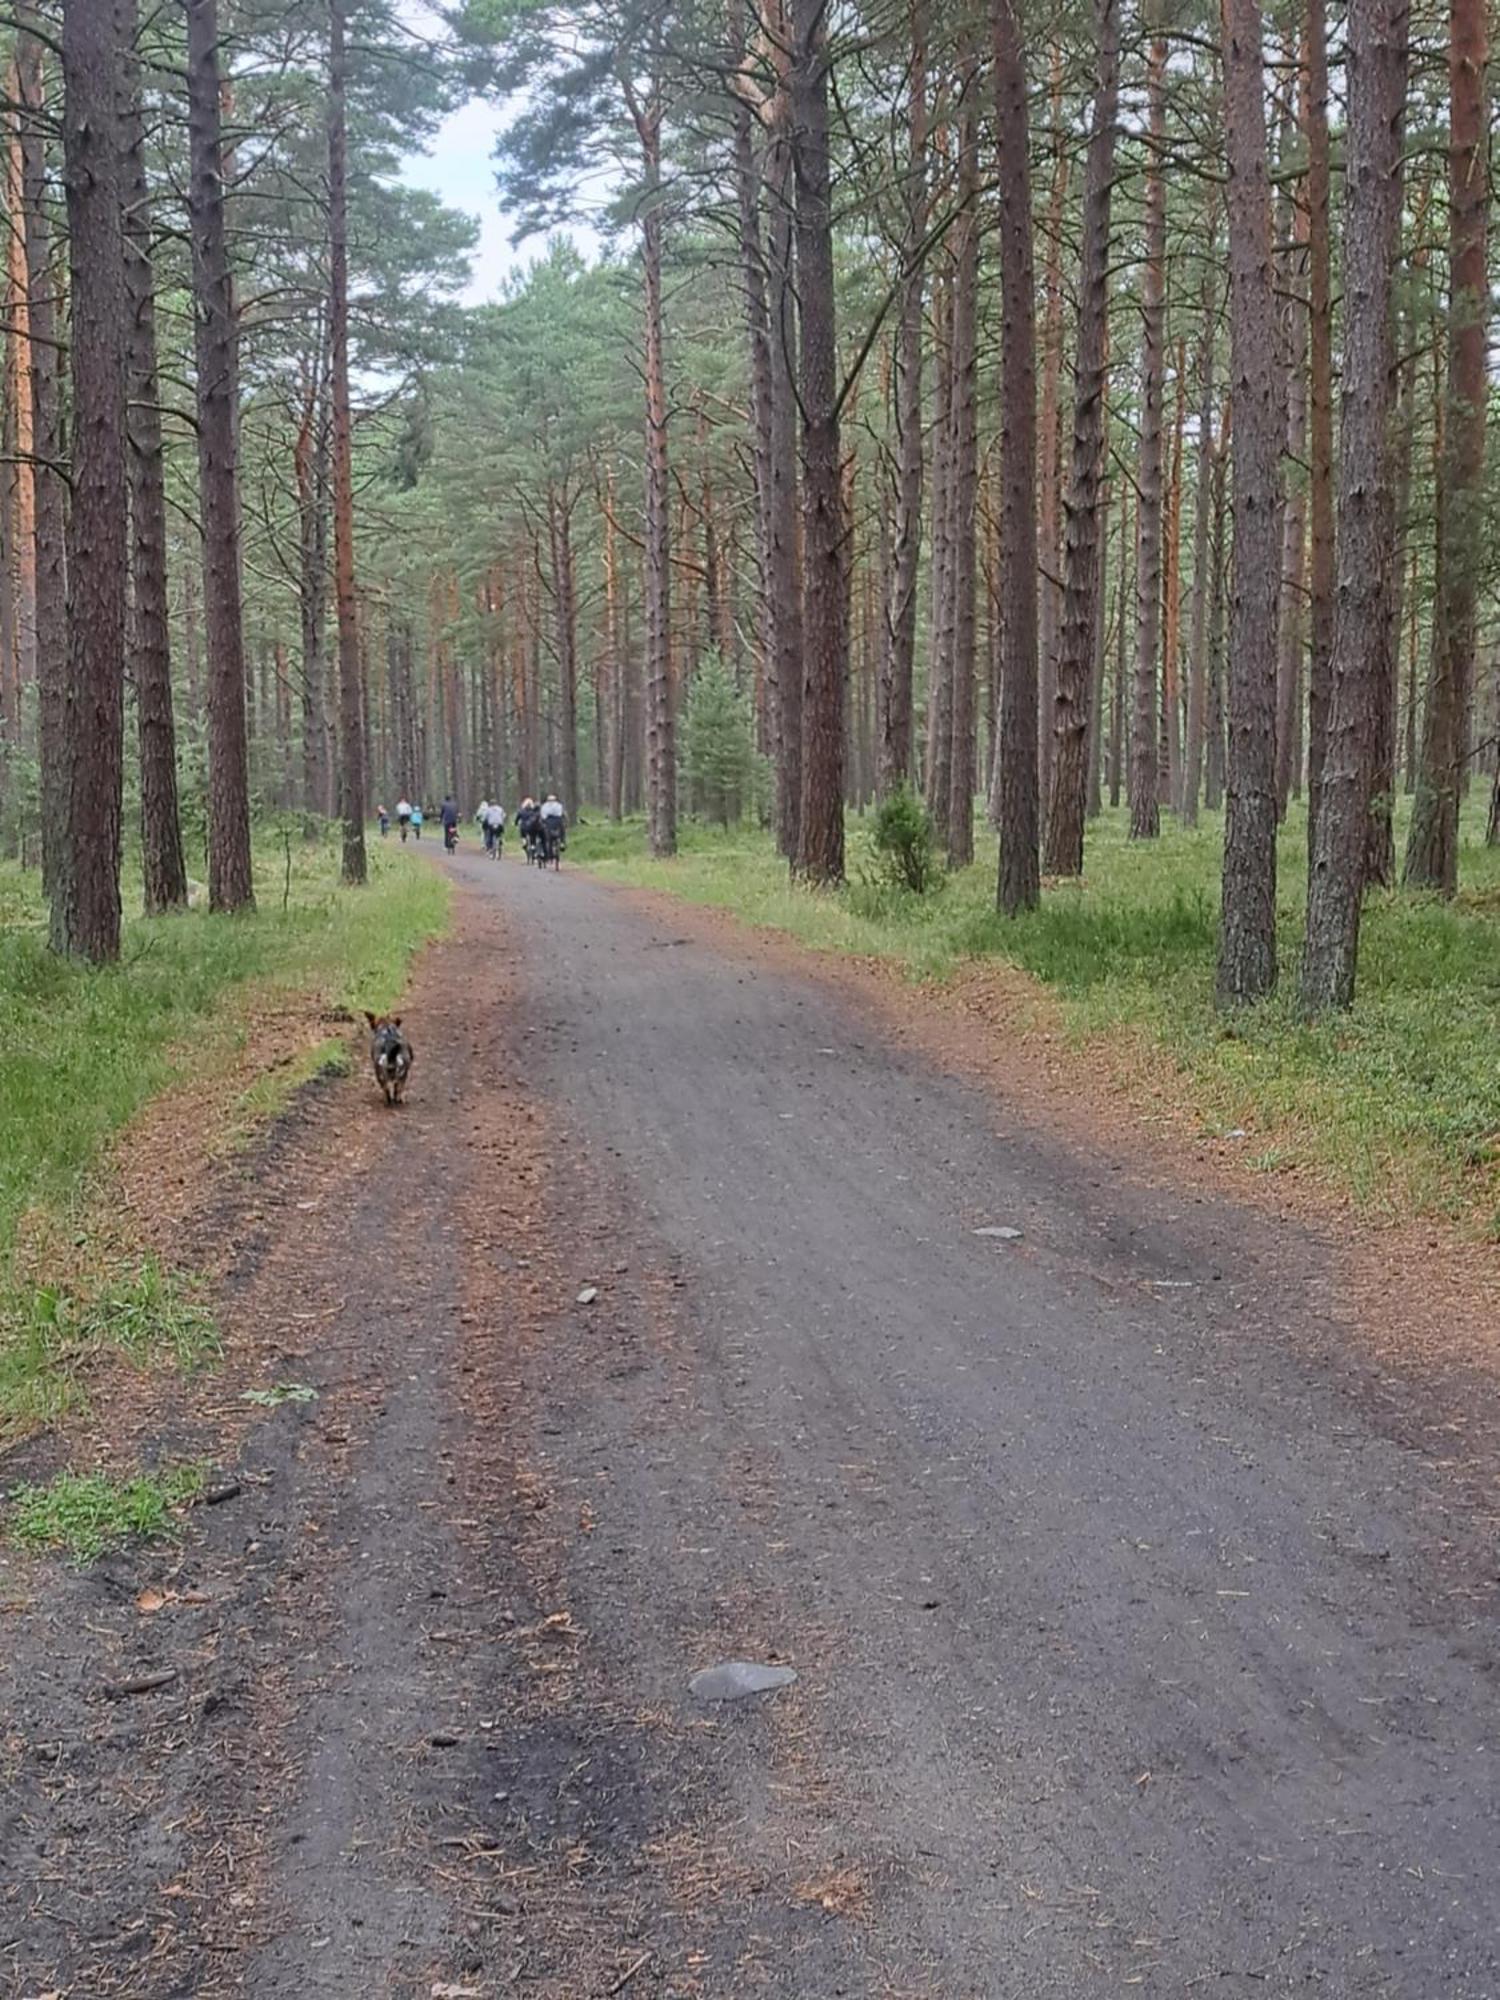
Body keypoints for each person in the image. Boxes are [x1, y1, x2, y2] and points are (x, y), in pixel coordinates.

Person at [539, 793, 567, 863]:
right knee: (562, 830)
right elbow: (561, 814)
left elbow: (543, 816)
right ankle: (562, 843)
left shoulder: (545, 806)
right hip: (556, 820)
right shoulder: (558, 805)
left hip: (549, 821)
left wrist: (543, 821)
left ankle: (551, 854)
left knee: (549, 837)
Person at [515, 796, 541, 861]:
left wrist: (516, 824)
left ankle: (524, 842)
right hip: (532, 827)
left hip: (523, 827)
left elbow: (517, 819)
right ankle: (533, 847)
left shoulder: (521, 811)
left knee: (523, 835)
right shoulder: (534, 811)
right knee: (533, 837)